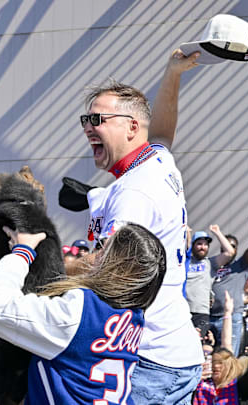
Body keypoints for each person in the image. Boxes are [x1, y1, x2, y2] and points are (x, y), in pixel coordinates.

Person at [82, 49, 203, 403]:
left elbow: (107, 276)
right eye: (86, 120)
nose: (89, 127)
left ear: (132, 127)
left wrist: (35, 262)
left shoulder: (133, 192)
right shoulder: (156, 161)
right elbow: (163, 132)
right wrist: (173, 73)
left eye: (99, 119)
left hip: (148, 358)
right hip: (176, 350)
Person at [0, 223, 167, 404]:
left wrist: (23, 251)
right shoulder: (134, 316)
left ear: (116, 265)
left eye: (102, 249)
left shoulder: (80, 312)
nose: (95, 255)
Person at [210, 213, 248, 352]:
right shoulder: (214, 264)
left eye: (232, 246)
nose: (228, 248)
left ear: (236, 250)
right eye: (225, 246)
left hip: (231, 317)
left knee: (228, 357)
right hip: (209, 317)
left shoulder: (241, 265)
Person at [185, 225, 235, 333]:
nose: (202, 247)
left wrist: (217, 232)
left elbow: (229, 252)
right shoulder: (185, 261)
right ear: (193, 246)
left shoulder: (210, 263)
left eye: (205, 244)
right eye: (199, 244)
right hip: (183, 311)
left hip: (201, 314)